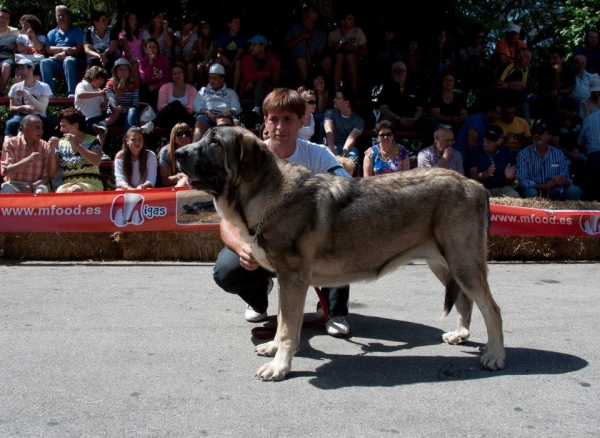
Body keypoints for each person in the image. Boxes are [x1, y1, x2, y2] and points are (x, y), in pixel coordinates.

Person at [212, 87, 353, 337]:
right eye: (274, 118)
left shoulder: (317, 153)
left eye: (288, 119)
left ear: (301, 121)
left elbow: (348, 190)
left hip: (309, 244)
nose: (280, 126)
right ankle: (258, 298)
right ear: (265, 121)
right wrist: (240, 247)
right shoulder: (247, 158)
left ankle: (335, 310)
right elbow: (226, 218)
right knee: (227, 268)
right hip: (264, 245)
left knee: (341, 234)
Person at [516, 121, 581, 200]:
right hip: (534, 189)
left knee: (575, 190)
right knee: (531, 193)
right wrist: (544, 187)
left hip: (555, 190)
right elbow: (522, 181)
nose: (537, 135)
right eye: (535, 133)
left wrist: (564, 181)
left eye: (541, 133)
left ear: (549, 137)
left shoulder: (558, 154)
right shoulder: (523, 153)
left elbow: (567, 179)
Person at [377, 61, 438, 145]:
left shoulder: (414, 87)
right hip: (395, 121)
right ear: (392, 74)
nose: (399, 74)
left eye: (402, 71)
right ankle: (386, 152)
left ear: (406, 73)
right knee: (385, 121)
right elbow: (383, 108)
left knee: (431, 122)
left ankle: (427, 153)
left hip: (412, 121)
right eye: (396, 72)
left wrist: (414, 119)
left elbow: (420, 108)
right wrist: (399, 119)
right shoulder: (387, 88)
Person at [47, 108, 104, 192]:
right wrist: (51, 150)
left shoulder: (92, 140)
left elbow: (96, 161)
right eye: (60, 126)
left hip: (91, 184)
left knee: (74, 190)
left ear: (76, 126)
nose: (61, 130)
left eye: (64, 126)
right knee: (60, 192)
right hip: (67, 185)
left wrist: (77, 145)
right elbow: (51, 173)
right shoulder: (61, 143)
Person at [40, 5, 85, 98]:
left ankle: (72, 92)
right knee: (44, 62)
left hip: (73, 60)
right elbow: (48, 49)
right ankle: (50, 93)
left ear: (68, 16)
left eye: (63, 15)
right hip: (57, 60)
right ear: (56, 18)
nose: (61, 17)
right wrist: (64, 49)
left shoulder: (76, 31)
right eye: (58, 15)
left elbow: (79, 48)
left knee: (68, 61)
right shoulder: (52, 33)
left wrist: (65, 54)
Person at [4, 59, 54, 141]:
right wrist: (23, 107)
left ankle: (20, 146)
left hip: (38, 116)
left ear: (31, 69)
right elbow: (12, 108)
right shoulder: (15, 87)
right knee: (10, 123)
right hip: (21, 115)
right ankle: (7, 148)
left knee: (28, 124)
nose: (20, 71)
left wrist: (27, 95)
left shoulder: (44, 87)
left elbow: (41, 108)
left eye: (23, 68)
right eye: (19, 69)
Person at [1, 115, 50, 194]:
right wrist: (27, 160)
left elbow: (47, 177)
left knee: (40, 191)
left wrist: (33, 185)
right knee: (6, 189)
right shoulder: (10, 143)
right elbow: (6, 172)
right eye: (37, 128)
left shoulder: (46, 146)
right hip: (14, 183)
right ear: (25, 129)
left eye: (41, 128)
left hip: (37, 184)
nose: (41, 131)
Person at [466, 125, 519, 198]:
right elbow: (471, 177)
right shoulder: (475, 151)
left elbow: (512, 181)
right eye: (486, 138)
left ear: (499, 141)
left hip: (502, 188)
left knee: (513, 195)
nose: (487, 142)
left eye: (492, 139)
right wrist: (486, 174)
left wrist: (508, 177)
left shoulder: (507, 153)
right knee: (483, 196)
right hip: (483, 187)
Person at [192, 63, 241, 141]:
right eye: (210, 78)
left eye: (215, 78)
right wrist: (207, 112)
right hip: (207, 115)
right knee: (199, 124)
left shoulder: (230, 92)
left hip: (226, 115)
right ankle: (195, 150)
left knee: (236, 123)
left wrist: (228, 114)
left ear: (222, 79)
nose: (212, 81)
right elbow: (196, 106)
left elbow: (236, 107)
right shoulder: (203, 90)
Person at [283, 7, 330, 84]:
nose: (303, 15)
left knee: (327, 60)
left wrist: (314, 63)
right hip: (296, 64)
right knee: (301, 61)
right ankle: (309, 89)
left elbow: (322, 50)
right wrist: (300, 38)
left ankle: (324, 88)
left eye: (306, 13)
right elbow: (285, 45)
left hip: (314, 62)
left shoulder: (320, 33)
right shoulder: (295, 29)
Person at [239, 35, 280, 122]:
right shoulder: (247, 58)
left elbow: (276, 78)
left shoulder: (273, 58)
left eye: (254, 45)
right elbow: (248, 76)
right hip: (249, 90)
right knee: (262, 79)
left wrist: (261, 77)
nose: (251, 47)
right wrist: (268, 74)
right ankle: (263, 111)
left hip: (267, 89)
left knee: (267, 85)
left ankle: (258, 110)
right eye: (251, 45)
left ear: (262, 47)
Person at [327, 11, 368, 93]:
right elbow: (329, 53)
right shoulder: (333, 35)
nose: (353, 21)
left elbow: (365, 52)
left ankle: (354, 92)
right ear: (343, 22)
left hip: (354, 60)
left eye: (353, 19)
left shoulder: (358, 31)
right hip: (338, 61)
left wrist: (353, 49)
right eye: (350, 19)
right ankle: (337, 92)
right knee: (339, 56)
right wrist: (335, 46)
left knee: (350, 56)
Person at [453, 97, 501, 164]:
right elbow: (471, 145)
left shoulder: (488, 122)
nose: (499, 116)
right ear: (490, 112)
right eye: (497, 113)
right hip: (462, 153)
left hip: (475, 153)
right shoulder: (476, 120)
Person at [324, 87, 364, 167]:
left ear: (346, 103)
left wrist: (342, 156)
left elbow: (351, 138)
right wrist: (332, 150)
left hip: (348, 149)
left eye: (338, 98)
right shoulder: (330, 112)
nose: (334, 100)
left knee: (352, 157)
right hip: (332, 145)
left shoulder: (359, 121)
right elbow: (329, 130)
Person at [552, 97, 585, 190]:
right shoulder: (555, 122)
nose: (572, 112)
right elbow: (554, 145)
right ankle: (566, 189)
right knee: (567, 164)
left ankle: (584, 191)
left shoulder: (579, 120)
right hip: (561, 153)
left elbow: (583, 138)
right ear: (562, 109)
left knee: (585, 160)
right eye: (569, 110)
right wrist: (570, 154)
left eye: (573, 110)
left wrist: (577, 149)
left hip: (578, 151)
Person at [154, 62, 197, 134]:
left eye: (179, 73)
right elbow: (160, 107)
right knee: (176, 105)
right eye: (174, 74)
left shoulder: (192, 89)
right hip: (168, 118)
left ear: (183, 73)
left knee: (176, 104)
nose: (177, 75)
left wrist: (178, 106)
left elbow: (190, 110)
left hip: (185, 118)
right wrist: (177, 106)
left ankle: (153, 123)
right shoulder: (165, 87)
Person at [105, 58, 143, 137]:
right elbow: (113, 105)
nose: (123, 72)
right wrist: (119, 91)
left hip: (128, 115)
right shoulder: (110, 84)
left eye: (126, 69)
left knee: (132, 111)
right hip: (114, 115)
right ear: (116, 72)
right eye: (121, 70)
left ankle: (127, 140)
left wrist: (123, 109)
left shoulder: (133, 85)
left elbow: (136, 105)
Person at [493, 47, 532, 122]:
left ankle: (525, 123)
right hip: (501, 94)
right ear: (518, 56)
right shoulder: (507, 66)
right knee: (496, 93)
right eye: (526, 57)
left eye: (530, 58)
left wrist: (508, 85)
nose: (528, 61)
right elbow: (498, 85)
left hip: (512, 93)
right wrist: (516, 84)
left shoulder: (525, 69)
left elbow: (523, 86)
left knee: (523, 95)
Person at [537, 46, 576, 119]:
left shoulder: (568, 70)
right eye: (550, 58)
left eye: (555, 58)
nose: (551, 61)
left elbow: (570, 89)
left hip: (564, 97)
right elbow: (542, 89)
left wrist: (558, 91)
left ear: (562, 59)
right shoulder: (545, 70)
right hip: (547, 98)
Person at [74, 66, 109, 142]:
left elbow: (102, 107)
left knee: (103, 130)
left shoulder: (98, 90)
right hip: (85, 118)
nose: (102, 82)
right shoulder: (82, 85)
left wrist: (106, 100)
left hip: (98, 118)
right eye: (100, 79)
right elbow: (80, 94)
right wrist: (99, 93)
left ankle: (99, 150)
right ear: (93, 76)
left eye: (103, 80)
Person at [138, 37, 171, 111]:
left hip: (160, 86)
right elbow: (145, 79)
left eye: (154, 47)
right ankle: (144, 113)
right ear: (145, 50)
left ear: (157, 49)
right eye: (149, 47)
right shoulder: (143, 62)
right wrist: (150, 63)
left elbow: (167, 79)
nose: (152, 50)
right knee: (143, 87)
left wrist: (155, 86)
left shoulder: (164, 61)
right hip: (148, 87)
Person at [215, 14, 246, 93]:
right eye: (235, 22)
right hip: (225, 60)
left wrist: (231, 65)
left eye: (239, 23)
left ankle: (234, 91)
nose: (238, 25)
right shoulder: (223, 36)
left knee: (238, 62)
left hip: (235, 61)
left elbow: (239, 53)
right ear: (229, 24)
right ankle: (216, 88)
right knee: (218, 61)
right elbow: (218, 52)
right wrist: (222, 57)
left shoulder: (241, 37)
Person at [157, 122, 192, 187]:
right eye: (180, 134)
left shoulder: (193, 151)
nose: (184, 136)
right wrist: (180, 176)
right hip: (170, 188)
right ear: (174, 137)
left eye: (187, 134)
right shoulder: (166, 152)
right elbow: (165, 181)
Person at [577, 106, 600, 201]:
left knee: (594, 188)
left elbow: (580, 142)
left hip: (595, 156)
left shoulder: (589, 119)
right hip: (595, 156)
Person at [173, 15, 199, 85]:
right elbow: (182, 44)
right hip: (179, 58)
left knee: (191, 66)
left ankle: (189, 87)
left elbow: (196, 50)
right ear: (183, 24)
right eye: (188, 23)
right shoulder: (177, 34)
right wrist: (191, 33)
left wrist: (190, 56)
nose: (190, 25)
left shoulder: (195, 35)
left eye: (191, 23)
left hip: (189, 58)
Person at [0, 7, 20, 95]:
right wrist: (5, 47)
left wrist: (15, 45)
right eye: (1, 17)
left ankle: (0, 91)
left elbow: (22, 45)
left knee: (6, 66)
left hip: (8, 59)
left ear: (9, 20)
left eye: (6, 18)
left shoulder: (14, 31)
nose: (4, 20)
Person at [119, 12, 143, 81]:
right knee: (135, 66)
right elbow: (126, 51)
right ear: (127, 21)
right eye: (132, 19)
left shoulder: (141, 32)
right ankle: (136, 89)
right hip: (128, 57)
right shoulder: (123, 35)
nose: (135, 21)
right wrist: (132, 59)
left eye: (135, 19)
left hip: (140, 57)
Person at [195, 21, 217, 87]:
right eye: (205, 28)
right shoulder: (199, 40)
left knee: (208, 66)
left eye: (209, 28)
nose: (207, 30)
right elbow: (200, 55)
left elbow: (213, 53)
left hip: (211, 60)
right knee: (199, 67)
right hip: (202, 60)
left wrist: (207, 60)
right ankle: (202, 86)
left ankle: (210, 86)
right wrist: (199, 45)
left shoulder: (213, 40)